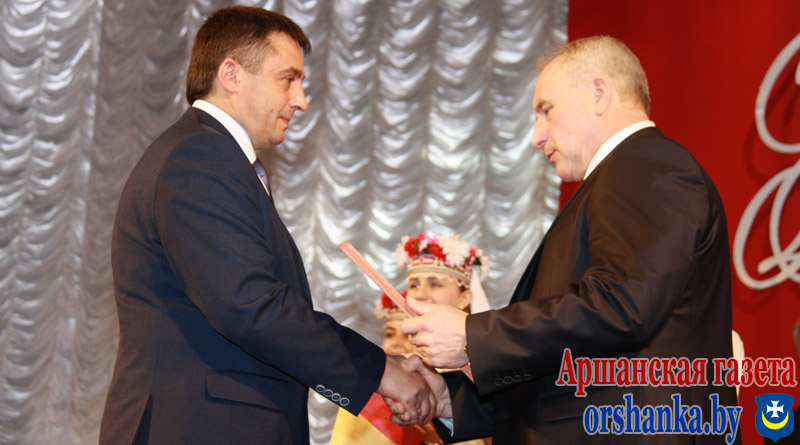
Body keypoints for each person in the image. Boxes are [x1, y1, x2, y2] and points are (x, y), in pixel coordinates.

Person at [99, 6, 432, 444]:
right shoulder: (202, 156)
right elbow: (251, 305)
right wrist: (382, 371)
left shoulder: (206, 154)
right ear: (231, 75)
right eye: (288, 79)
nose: (301, 100)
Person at [398, 35, 739, 444]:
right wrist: (450, 400)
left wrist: (473, 337)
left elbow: (622, 307)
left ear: (599, 93)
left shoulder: (647, 163)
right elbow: (575, 364)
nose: (536, 136)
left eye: (546, 110)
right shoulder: (622, 176)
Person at [332, 233, 492, 445]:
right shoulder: (398, 373)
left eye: (435, 284)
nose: (421, 294)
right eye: (414, 285)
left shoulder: (494, 365)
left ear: (465, 298)